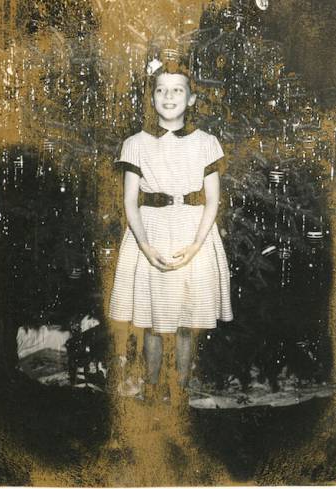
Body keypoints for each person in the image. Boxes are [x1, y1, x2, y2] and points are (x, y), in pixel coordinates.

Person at [108, 52, 233, 408]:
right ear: (152, 98)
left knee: (185, 319)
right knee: (152, 318)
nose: (168, 97)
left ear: (191, 99)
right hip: (151, 229)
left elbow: (213, 200)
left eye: (177, 90)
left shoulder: (206, 143)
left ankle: (181, 386)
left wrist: (196, 246)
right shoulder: (135, 144)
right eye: (161, 90)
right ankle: (152, 385)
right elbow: (130, 201)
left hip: (192, 230)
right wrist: (145, 245)